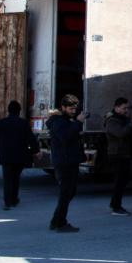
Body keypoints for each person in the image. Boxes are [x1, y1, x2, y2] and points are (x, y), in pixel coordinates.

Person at [47, 94, 85, 233]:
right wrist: (78, 123)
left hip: (69, 160)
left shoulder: (66, 120)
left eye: (75, 109)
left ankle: (56, 221)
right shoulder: (59, 121)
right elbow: (65, 137)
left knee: (69, 192)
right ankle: (59, 222)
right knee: (66, 193)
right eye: (70, 109)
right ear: (63, 107)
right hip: (64, 162)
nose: (73, 111)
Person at [0, 100, 40, 210]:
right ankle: (14, 199)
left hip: (5, 155)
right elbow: (31, 139)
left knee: (7, 179)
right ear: (19, 111)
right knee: (16, 178)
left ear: (8, 111)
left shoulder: (1, 123)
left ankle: (7, 201)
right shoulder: (23, 123)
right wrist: (36, 151)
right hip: (19, 156)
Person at [104, 97, 132, 216]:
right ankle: (116, 207)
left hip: (125, 153)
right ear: (116, 108)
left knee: (123, 181)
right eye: (124, 108)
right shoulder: (112, 120)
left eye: (127, 108)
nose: (126, 110)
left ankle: (115, 204)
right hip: (117, 154)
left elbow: (131, 131)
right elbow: (121, 133)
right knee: (119, 181)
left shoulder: (124, 119)